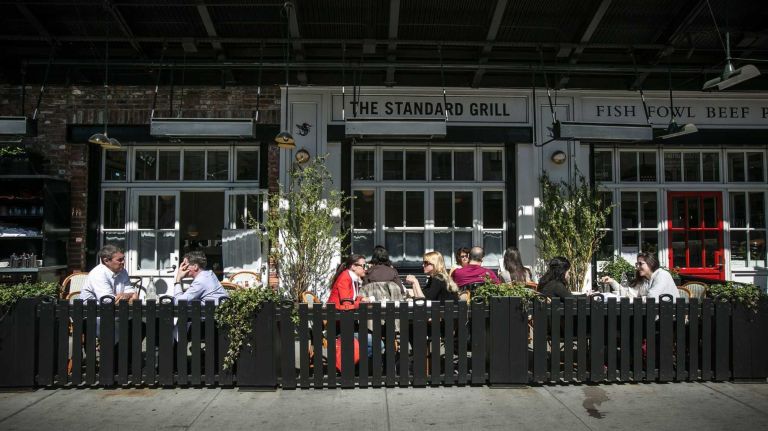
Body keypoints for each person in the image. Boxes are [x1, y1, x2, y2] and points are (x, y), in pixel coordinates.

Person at [600, 252, 678, 300]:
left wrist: (637, 299)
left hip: (669, 319)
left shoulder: (662, 275)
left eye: (641, 264)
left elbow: (651, 298)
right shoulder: (644, 279)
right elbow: (629, 294)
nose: (637, 267)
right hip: (652, 316)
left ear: (651, 263)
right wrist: (612, 282)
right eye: (637, 264)